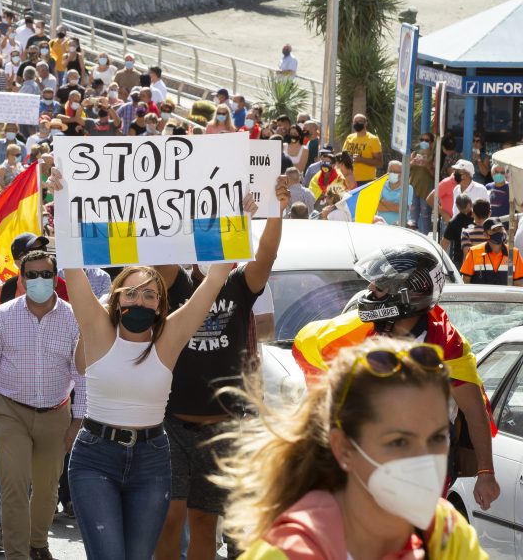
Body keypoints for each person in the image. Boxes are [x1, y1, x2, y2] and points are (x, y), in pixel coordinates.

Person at [215, 338, 486, 559]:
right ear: (344, 448)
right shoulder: (287, 553)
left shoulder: (444, 531)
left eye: (438, 438)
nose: (424, 458)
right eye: (399, 442)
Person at [293, 245, 500, 513]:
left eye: (379, 286)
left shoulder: (447, 344)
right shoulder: (357, 329)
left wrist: (486, 474)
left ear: (408, 293)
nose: (369, 290)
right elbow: (306, 349)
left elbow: (474, 412)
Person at [63, 259, 230, 560]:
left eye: (150, 295)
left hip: (150, 462)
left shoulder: (169, 338)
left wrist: (238, 220)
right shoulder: (97, 329)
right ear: (116, 300)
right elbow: (72, 267)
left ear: (160, 306)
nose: (139, 300)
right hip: (95, 459)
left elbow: (215, 279)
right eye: (131, 293)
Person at [154, 185, 284, 560]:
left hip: (223, 427)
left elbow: (268, 254)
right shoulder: (176, 282)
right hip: (172, 424)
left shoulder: (239, 285)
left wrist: (275, 209)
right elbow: (152, 247)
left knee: (205, 525)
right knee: (170, 518)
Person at [0, 250, 87, 560]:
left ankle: (37, 543)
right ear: (21, 279)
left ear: (56, 278)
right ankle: (17, 554)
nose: (38, 280)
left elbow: (82, 373)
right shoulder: (3, 316)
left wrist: (78, 420)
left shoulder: (74, 318)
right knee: (14, 486)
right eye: (31, 275)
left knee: (47, 492)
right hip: (10, 411)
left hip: (56, 412)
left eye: (45, 274)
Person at [460, 218, 523, 286]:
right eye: (494, 230)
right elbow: (465, 281)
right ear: (485, 234)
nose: (498, 232)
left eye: (500, 229)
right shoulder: (473, 252)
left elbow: (518, 284)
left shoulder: (514, 253)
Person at [341, 114, 382, 184]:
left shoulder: (373, 139)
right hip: (349, 179)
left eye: (359, 121)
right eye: (355, 121)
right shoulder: (349, 137)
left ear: (365, 124)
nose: (357, 123)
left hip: (366, 180)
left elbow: (379, 162)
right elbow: (343, 156)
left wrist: (361, 159)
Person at [376, 160, 411, 225]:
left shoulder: (408, 188)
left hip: (400, 226)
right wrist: (394, 206)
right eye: (390, 171)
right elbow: (377, 206)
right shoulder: (380, 186)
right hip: (381, 225)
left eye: (395, 172)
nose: (392, 173)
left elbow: (402, 209)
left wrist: (382, 201)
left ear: (402, 173)